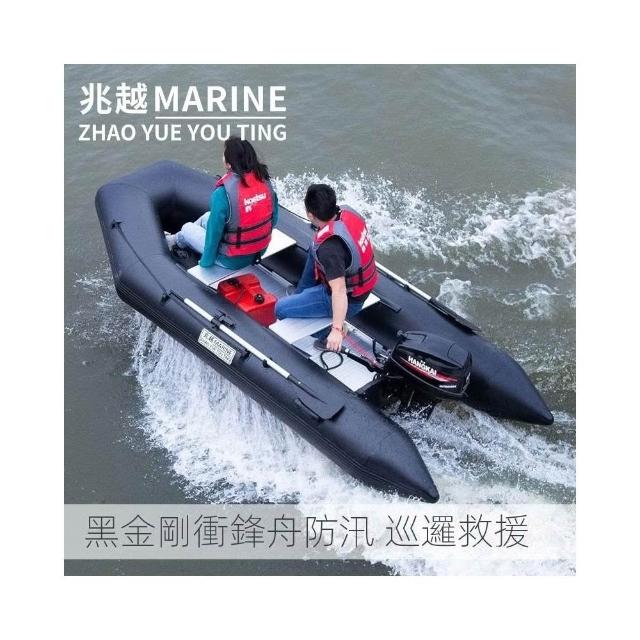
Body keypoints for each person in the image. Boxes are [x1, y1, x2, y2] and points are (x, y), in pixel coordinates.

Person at [274, 184, 378, 352]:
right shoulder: (347, 212)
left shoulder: (330, 249)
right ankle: (301, 294)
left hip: (349, 298)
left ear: (310, 215)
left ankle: (326, 333)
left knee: (280, 308)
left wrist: (337, 328)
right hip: (360, 282)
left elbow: (339, 291)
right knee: (313, 247)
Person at [166, 137, 278, 269]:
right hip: (260, 250)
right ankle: (175, 239)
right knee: (206, 217)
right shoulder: (265, 182)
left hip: (231, 259)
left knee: (187, 228)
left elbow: (214, 236)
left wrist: (206, 262)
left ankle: (175, 241)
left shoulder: (222, 194)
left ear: (229, 164)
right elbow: (274, 219)